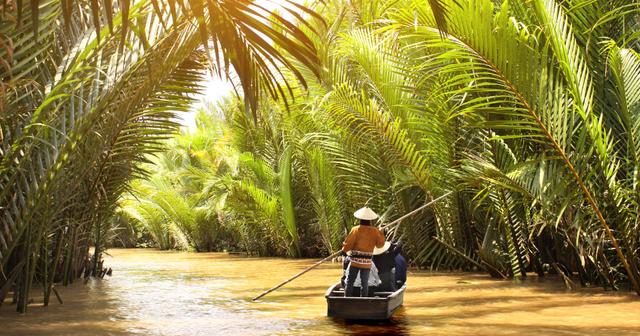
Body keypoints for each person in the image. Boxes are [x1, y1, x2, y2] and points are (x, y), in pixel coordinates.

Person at [341, 206, 385, 297]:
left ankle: (346, 298)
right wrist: (381, 233)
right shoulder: (375, 231)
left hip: (355, 262)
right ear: (370, 220)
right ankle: (363, 299)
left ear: (360, 219)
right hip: (367, 262)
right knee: (364, 283)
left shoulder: (355, 229)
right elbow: (380, 245)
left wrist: (343, 249)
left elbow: (348, 245)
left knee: (350, 281)